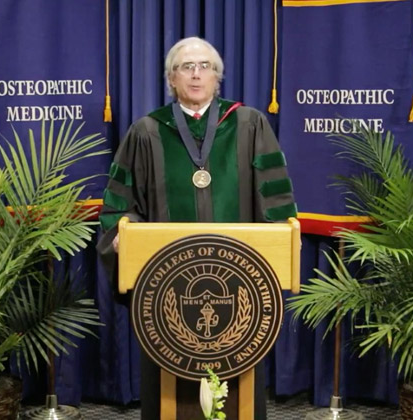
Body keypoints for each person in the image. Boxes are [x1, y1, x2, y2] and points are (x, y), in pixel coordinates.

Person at [97, 37, 296, 420]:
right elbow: (119, 207)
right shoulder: (146, 132)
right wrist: (126, 234)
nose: (196, 74)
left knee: (239, 377)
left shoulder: (250, 124)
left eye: (205, 66)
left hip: (241, 284)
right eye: (186, 67)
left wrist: (277, 244)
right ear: (171, 79)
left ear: (217, 78)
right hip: (165, 285)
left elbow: (277, 204)